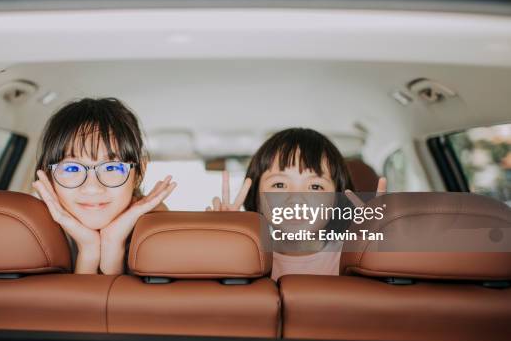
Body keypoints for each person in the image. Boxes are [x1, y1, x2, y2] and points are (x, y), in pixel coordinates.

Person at [207, 128, 385, 280]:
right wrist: (227, 238)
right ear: (256, 198)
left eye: (315, 186)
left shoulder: (357, 256)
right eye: (279, 185)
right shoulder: (244, 258)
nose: (297, 199)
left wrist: (381, 240)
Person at [32, 97, 176, 274]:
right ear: (47, 175)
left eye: (111, 167)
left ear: (139, 173)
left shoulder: (154, 228)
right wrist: (89, 250)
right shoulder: (32, 233)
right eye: (71, 168)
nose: (92, 187)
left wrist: (113, 244)